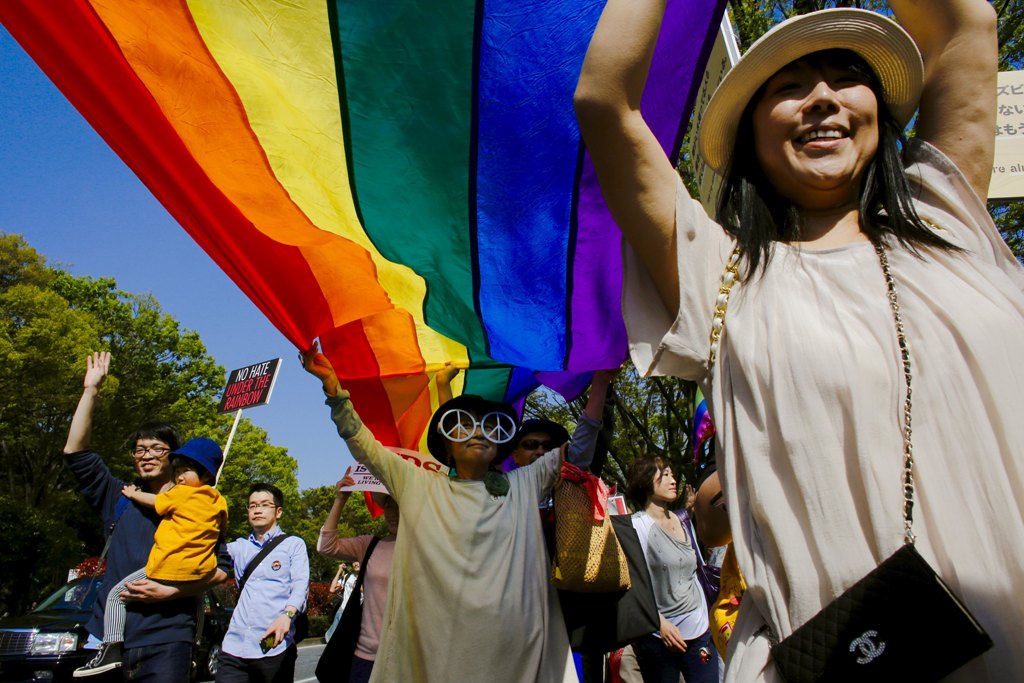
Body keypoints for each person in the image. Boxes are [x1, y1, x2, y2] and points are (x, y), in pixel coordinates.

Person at [576, 1, 1023, 680]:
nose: (820, 98)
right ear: (751, 136)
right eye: (788, 87)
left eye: (845, 76)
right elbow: (606, 102)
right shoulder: (720, 279)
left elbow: (966, 25)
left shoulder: (948, 221)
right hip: (835, 656)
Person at [302, 342, 577, 683]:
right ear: (447, 443)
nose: (477, 434)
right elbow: (365, 445)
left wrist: (602, 387)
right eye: (463, 427)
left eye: (487, 428)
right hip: (439, 649)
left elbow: (578, 449)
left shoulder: (520, 486)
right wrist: (334, 390)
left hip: (512, 652)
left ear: (498, 447)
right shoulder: (421, 485)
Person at [64, 352, 229, 682]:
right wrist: (91, 391)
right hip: (109, 638)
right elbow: (75, 452)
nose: (147, 456)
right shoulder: (119, 495)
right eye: (140, 449)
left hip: (168, 637)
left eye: (157, 449)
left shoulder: (199, 505)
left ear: (175, 457)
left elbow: (221, 568)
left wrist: (174, 592)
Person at [74, 438, 228, 677]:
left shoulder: (183, 494)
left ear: (206, 474)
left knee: (117, 595)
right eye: (176, 471)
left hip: (167, 565)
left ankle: (112, 646)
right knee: (197, 601)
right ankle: (195, 644)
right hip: (200, 567)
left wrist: (133, 494)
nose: (179, 477)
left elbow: (156, 502)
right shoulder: (218, 501)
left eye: (185, 471)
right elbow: (220, 533)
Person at [625, 457, 718, 683]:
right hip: (659, 636)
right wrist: (659, 623)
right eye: (664, 475)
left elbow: (694, 571)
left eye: (672, 474)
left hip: (700, 631)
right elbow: (631, 583)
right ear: (646, 481)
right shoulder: (636, 526)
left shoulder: (683, 520)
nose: (673, 480)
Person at [216, 483, 310, 683]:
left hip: (274, 646)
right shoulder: (238, 547)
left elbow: (300, 585)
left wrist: (287, 615)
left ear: (278, 512)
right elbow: (207, 553)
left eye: (265, 504)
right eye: (252, 505)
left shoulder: (293, 544)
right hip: (234, 647)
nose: (257, 509)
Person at [317, 467, 400, 682]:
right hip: (366, 656)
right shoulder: (369, 545)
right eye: (388, 505)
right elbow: (326, 547)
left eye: (398, 505)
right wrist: (341, 499)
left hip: (408, 656)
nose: (392, 512)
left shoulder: (428, 547)